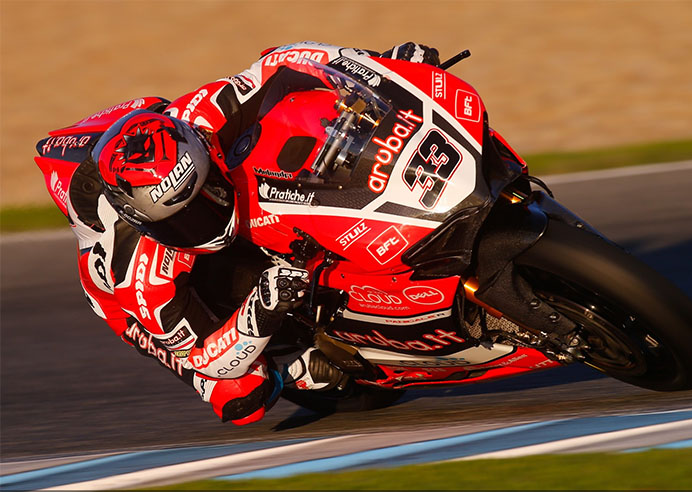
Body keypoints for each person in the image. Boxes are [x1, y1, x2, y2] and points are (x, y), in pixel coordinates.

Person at [56, 41, 441, 425]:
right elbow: (205, 356)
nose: (205, 216)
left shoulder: (200, 116)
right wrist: (259, 312)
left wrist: (379, 64)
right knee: (242, 397)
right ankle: (293, 364)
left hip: (159, 151)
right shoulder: (138, 276)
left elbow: (283, 59)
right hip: (133, 310)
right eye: (183, 218)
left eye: (207, 191)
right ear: (145, 222)